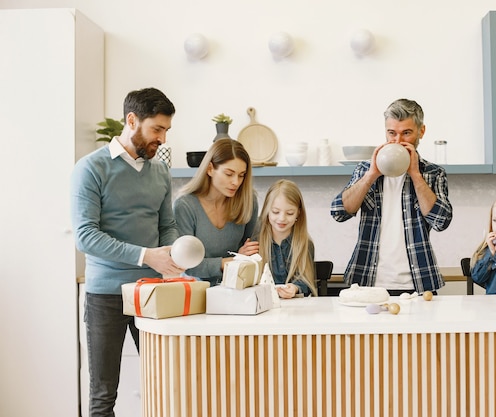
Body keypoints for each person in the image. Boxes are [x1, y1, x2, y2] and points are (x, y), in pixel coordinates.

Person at [71, 87, 182, 417]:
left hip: (151, 294)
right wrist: (147, 256)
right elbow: (85, 237)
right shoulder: (91, 169)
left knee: (164, 384)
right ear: (131, 120)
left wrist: (173, 253)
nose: (161, 138)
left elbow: (167, 226)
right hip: (105, 293)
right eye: (156, 129)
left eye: (166, 131)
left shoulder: (160, 172)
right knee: (104, 392)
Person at [331, 98, 453, 295]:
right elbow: (338, 212)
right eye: (391, 133)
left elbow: (441, 221)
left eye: (406, 133)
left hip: (419, 284)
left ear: (421, 132)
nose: (397, 141)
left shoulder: (433, 173)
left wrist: (415, 174)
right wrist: (371, 175)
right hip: (368, 281)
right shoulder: (365, 170)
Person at [174, 138, 258, 285]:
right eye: (229, 174)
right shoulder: (185, 206)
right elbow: (187, 265)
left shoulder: (248, 201)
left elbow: (251, 253)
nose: (236, 182)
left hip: (235, 288)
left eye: (241, 175)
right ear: (210, 169)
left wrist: (245, 256)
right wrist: (233, 261)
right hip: (195, 292)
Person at [256, 179, 317, 298]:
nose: (282, 218)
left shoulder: (305, 244)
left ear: (298, 213)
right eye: (275, 212)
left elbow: (306, 281)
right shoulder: (256, 241)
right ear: (267, 210)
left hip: (294, 309)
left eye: (289, 213)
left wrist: (295, 288)